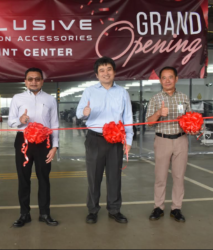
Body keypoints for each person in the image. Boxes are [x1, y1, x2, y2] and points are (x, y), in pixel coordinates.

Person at [76, 57, 133, 224]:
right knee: (94, 176)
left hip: (116, 140)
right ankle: (93, 210)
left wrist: (128, 140)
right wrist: (84, 112)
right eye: (102, 70)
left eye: (109, 69)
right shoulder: (89, 91)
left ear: (114, 72)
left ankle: (114, 210)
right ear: (96, 74)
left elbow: (127, 117)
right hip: (95, 138)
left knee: (114, 176)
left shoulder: (122, 92)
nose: (106, 73)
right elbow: (79, 113)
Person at [8, 67, 59, 227]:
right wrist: (20, 120)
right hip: (24, 142)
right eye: (30, 79)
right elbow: (10, 122)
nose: (34, 82)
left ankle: (45, 213)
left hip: (45, 142)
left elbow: (55, 124)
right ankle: (24, 214)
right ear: (25, 81)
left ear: (42, 81)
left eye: (37, 79)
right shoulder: (17, 98)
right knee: (23, 178)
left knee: (44, 178)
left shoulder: (50, 99)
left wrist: (55, 146)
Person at [146, 66, 191, 222]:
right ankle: (158, 207)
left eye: (170, 77)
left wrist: (194, 127)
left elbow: (191, 120)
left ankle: (176, 209)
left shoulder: (184, 98)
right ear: (160, 80)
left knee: (179, 176)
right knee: (160, 177)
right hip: (162, 140)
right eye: (164, 78)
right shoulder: (155, 99)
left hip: (181, 140)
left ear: (176, 79)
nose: (167, 80)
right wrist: (159, 113)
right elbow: (149, 123)